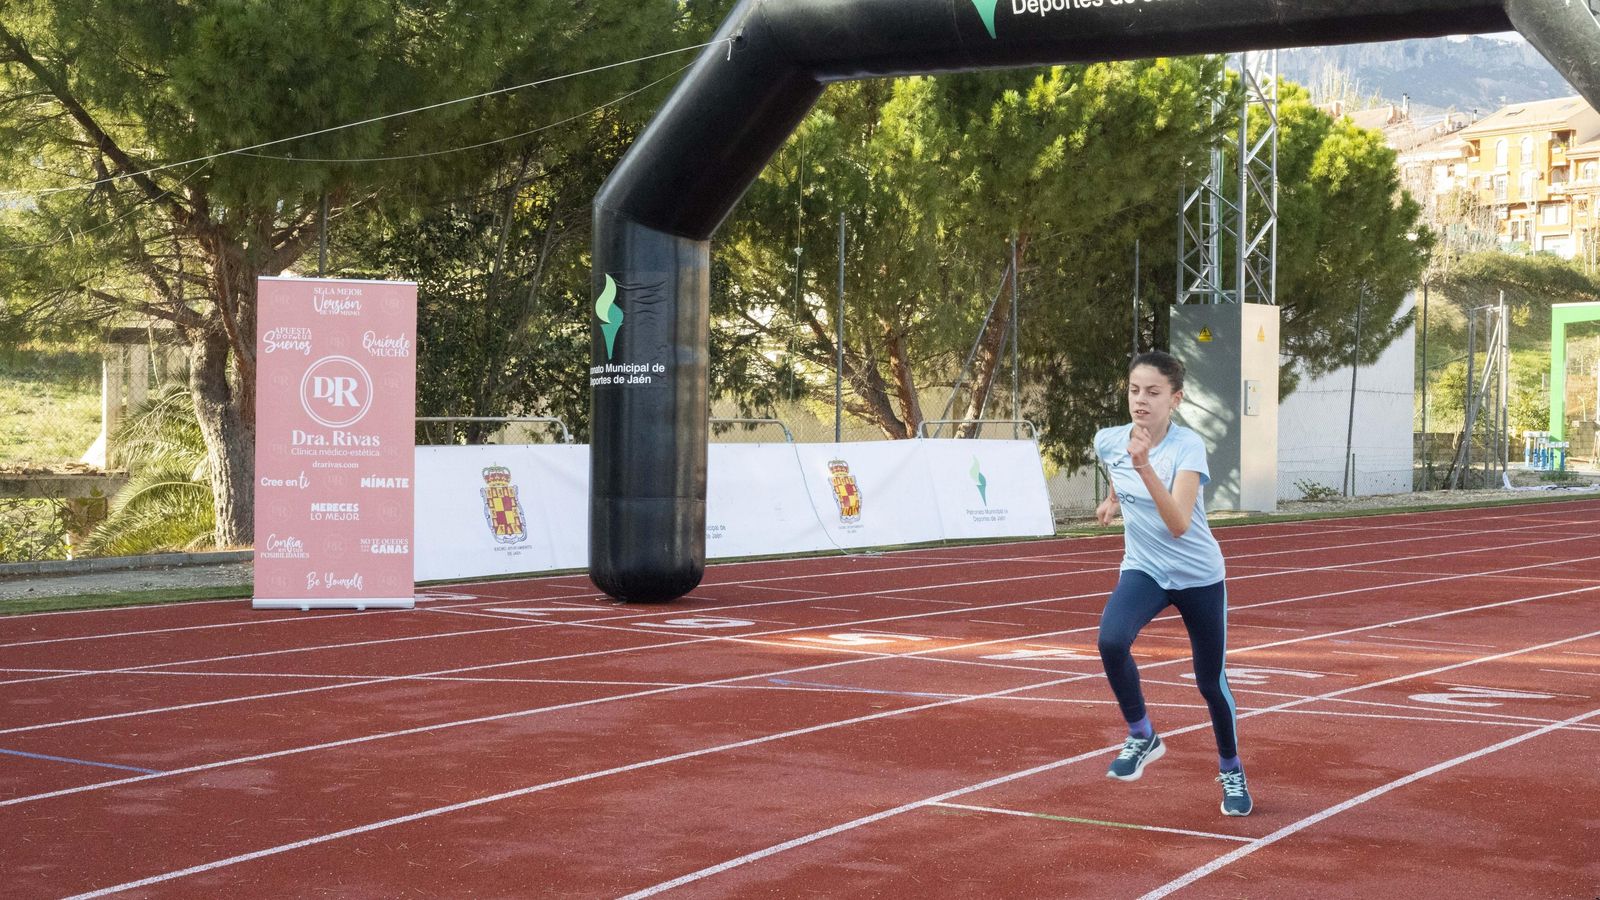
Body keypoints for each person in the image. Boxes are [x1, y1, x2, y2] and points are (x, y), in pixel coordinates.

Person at [1092, 350, 1251, 817]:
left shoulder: (1187, 447)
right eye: (1133, 390)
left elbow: (1179, 523)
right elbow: (1117, 468)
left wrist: (1143, 467)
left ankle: (1231, 769)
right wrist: (1113, 499)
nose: (1140, 400)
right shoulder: (1109, 440)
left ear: (1175, 399)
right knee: (1110, 640)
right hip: (1144, 568)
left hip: (1198, 576)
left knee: (1210, 682)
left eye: (1153, 392)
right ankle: (1142, 734)